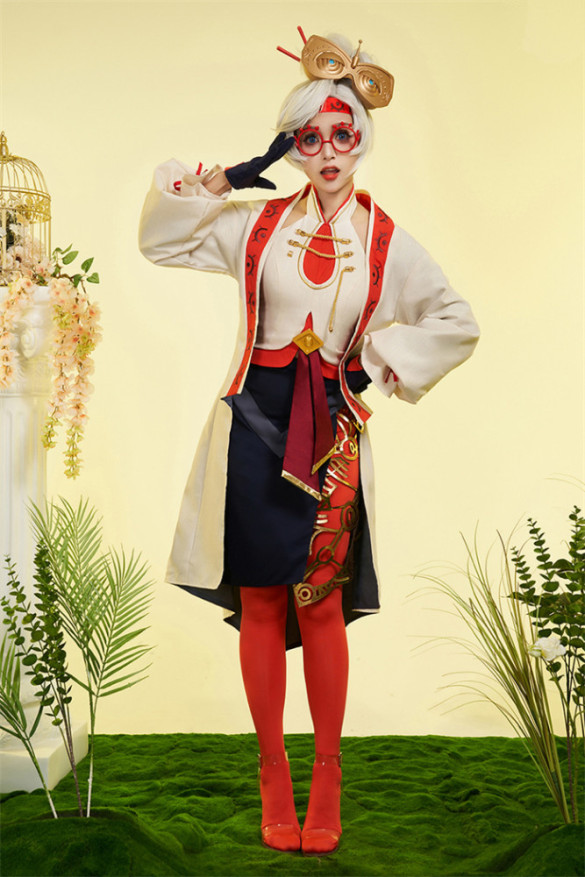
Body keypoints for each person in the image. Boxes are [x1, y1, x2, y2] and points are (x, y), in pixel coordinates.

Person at [139, 29, 479, 856]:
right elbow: (162, 239)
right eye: (308, 136)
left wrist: (371, 366)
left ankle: (326, 773)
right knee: (261, 597)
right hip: (253, 422)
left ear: (362, 137)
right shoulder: (253, 225)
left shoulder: (385, 239)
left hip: (331, 429)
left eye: (341, 133)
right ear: (288, 145)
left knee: (319, 599)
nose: (326, 151)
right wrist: (224, 181)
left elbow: (455, 321)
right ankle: (272, 771)